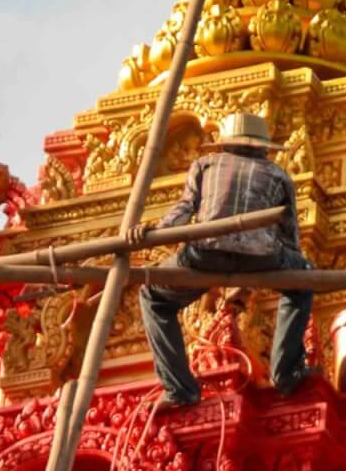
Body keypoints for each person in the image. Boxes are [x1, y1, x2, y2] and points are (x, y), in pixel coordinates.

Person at [134, 111, 314, 408]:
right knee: (302, 281)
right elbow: (289, 237)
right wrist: (295, 270)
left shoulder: (204, 165)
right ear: (262, 147)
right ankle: (286, 374)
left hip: (206, 253)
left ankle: (180, 389)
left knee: (152, 296)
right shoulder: (279, 175)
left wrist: (152, 232)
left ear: (226, 144)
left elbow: (182, 212)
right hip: (261, 258)